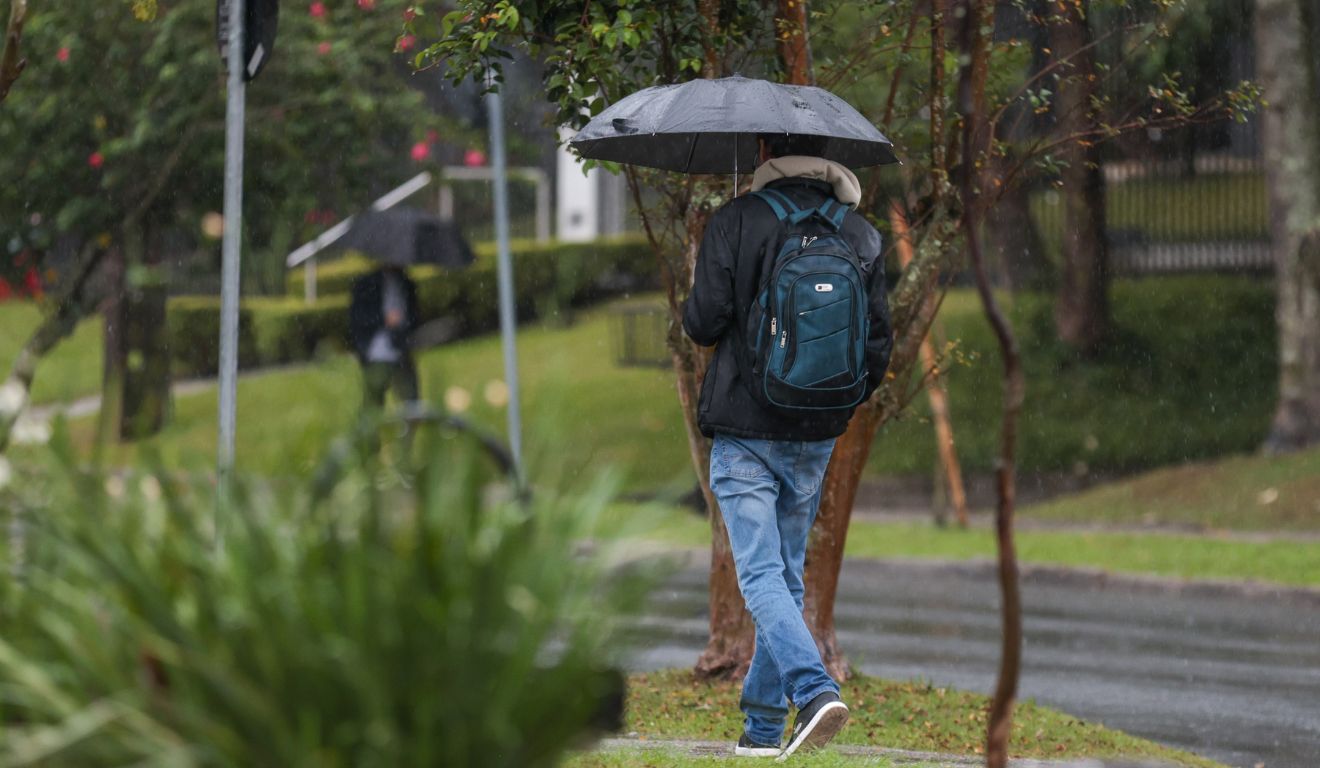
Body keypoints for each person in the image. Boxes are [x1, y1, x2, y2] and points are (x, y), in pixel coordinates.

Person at [682, 134, 893, 759]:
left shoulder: (738, 220)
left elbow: (701, 322)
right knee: (786, 580)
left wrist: (720, 254)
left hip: (746, 430)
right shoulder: (860, 234)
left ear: (769, 152)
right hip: (816, 433)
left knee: (760, 575)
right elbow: (876, 347)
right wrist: (829, 404)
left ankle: (812, 689)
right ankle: (763, 731)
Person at [350, 264, 421, 421]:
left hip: (401, 348)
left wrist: (403, 324)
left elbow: (415, 316)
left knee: (412, 402)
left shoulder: (406, 283)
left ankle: (409, 439)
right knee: (373, 404)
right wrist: (384, 319)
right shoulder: (367, 283)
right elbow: (359, 317)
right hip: (377, 351)